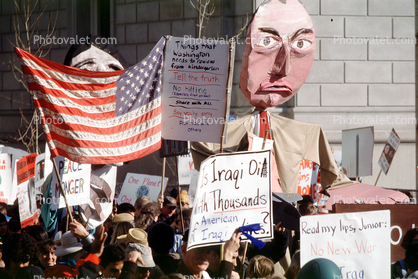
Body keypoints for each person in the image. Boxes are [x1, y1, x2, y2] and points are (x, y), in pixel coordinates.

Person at [191, 0, 348, 195]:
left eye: (300, 44)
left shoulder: (309, 134)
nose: (284, 68)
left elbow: (334, 178)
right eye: (267, 42)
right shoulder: (224, 133)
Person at [176, 229, 241, 279]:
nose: (205, 257)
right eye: (200, 251)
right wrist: (228, 255)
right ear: (184, 250)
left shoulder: (205, 275)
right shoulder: (176, 277)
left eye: (208, 252)